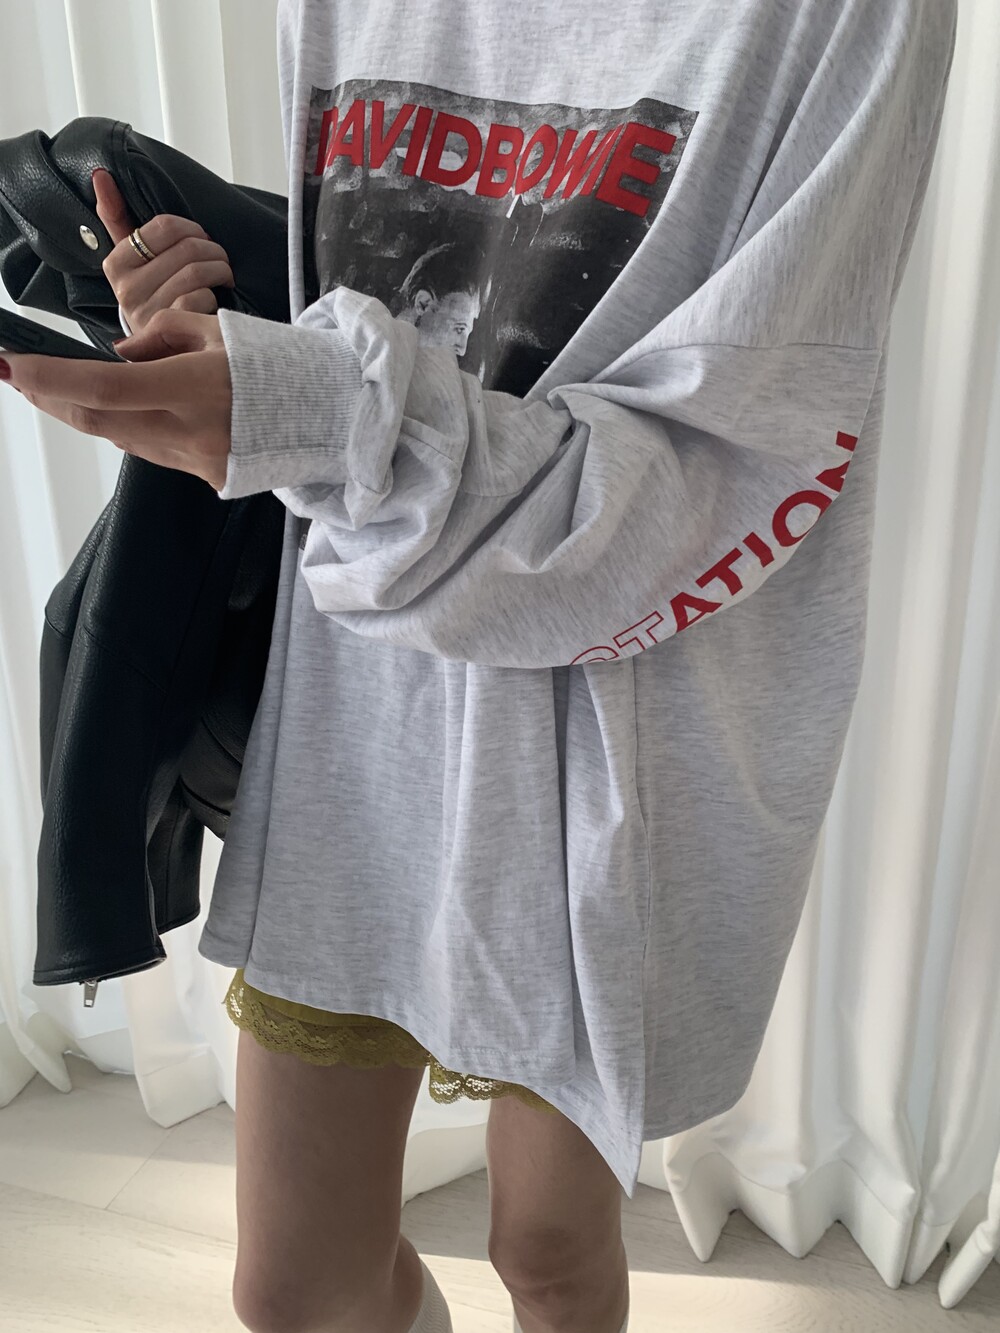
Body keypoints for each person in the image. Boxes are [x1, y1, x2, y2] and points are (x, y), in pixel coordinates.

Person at [2, 2, 958, 1331]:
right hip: (360, 711)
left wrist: (310, 410)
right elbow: (430, 287)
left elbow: (728, 458)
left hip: (629, 736)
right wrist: (226, 314)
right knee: (294, 1289)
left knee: (551, 1253)